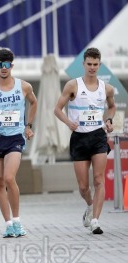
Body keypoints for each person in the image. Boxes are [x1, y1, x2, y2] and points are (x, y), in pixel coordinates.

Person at [0, 48, 37, 238]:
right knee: (0, 182)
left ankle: (18, 221)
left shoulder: (24, 86)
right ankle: (8, 224)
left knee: (10, 178)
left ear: (12, 65)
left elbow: (33, 103)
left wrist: (28, 125)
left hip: (15, 138)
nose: (4, 68)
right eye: (0, 65)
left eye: (7, 65)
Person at [54, 47, 115, 234]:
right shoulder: (73, 85)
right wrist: (68, 122)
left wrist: (109, 120)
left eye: (96, 64)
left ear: (100, 65)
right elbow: (57, 109)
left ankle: (95, 220)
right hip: (79, 137)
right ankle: (89, 205)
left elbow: (111, 108)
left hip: (98, 136)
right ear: (83, 64)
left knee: (98, 180)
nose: (92, 67)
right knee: (83, 186)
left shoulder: (107, 88)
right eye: (89, 64)